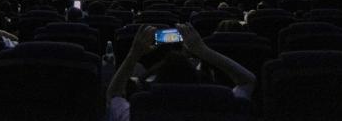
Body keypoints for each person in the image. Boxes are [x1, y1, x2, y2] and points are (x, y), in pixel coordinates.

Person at [105, 23, 255, 121]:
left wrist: (133, 54)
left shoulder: (139, 111)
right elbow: (247, 81)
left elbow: (113, 95)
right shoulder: (223, 107)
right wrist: (202, 50)